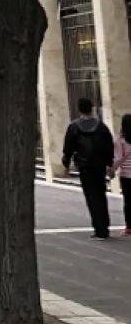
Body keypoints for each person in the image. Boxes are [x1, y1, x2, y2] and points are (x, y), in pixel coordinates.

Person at [62, 96, 115, 239]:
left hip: (85, 166)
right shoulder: (101, 127)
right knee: (100, 194)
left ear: (79, 109)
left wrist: (66, 164)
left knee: (91, 196)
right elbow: (109, 146)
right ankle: (104, 227)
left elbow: (68, 147)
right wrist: (110, 164)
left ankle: (99, 228)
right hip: (99, 165)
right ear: (92, 108)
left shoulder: (74, 127)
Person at [111, 113, 131, 237]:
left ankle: (129, 227)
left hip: (127, 175)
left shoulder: (120, 139)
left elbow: (119, 158)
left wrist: (112, 169)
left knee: (128, 202)